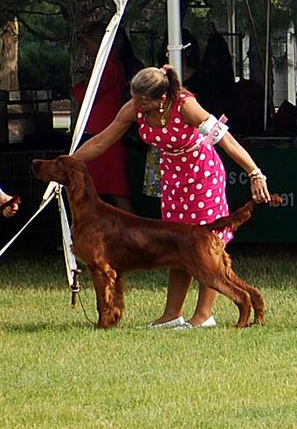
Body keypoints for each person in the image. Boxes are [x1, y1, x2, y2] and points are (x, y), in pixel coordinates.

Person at [72, 65, 274, 329]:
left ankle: (203, 315)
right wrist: (68, 163)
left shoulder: (186, 106)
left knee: (205, 245)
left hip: (202, 177)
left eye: (143, 101)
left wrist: (255, 173)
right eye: (134, 98)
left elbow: (227, 141)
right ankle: (172, 314)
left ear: (162, 98)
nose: (137, 105)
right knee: (176, 244)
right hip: (172, 179)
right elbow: (101, 141)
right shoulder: (133, 109)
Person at [71, 23, 141, 212]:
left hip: (106, 134)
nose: (86, 48)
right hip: (101, 132)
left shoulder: (109, 66)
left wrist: (80, 84)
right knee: (105, 189)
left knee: (116, 190)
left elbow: (86, 95)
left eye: (88, 43)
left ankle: (129, 228)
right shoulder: (110, 65)